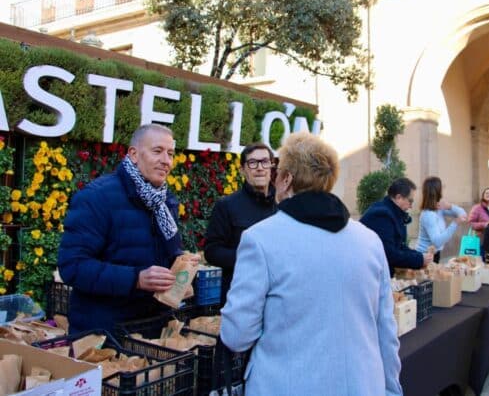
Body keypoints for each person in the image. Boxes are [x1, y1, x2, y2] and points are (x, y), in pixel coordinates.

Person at [220, 132, 402, 396]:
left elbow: (237, 335)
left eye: (276, 171)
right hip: (362, 386)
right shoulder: (369, 240)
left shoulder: (260, 239)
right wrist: (391, 389)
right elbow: (386, 330)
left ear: (286, 179)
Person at [58, 124, 188, 335]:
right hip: (104, 333)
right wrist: (135, 278)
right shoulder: (96, 197)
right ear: (133, 154)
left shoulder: (165, 201)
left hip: (152, 327)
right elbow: (72, 266)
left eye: (171, 154)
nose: (166, 161)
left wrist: (182, 268)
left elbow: (167, 252)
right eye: (157, 151)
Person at [204, 142, 277, 306]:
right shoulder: (227, 205)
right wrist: (250, 258)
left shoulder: (282, 206)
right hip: (239, 298)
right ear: (243, 169)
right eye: (252, 163)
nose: (260, 168)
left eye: (265, 162)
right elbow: (211, 251)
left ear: (271, 167)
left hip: (275, 298)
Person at [360, 177, 434, 275]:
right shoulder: (382, 215)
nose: (411, 205)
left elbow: (399, 246)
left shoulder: (393, 212)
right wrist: (419, 259)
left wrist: (420, 256)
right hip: (369, 275)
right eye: (410, 201)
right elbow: (389, 254)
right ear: (399, 197)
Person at [416, 176, 467, 263]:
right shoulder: (428, 215)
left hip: (434, 254)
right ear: (436, 191)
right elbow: (437, 242)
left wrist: (450, 206)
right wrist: (454, 223)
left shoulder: (438, 209)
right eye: (441, 187)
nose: (443, 189)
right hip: (425, 256)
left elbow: (463, 214)